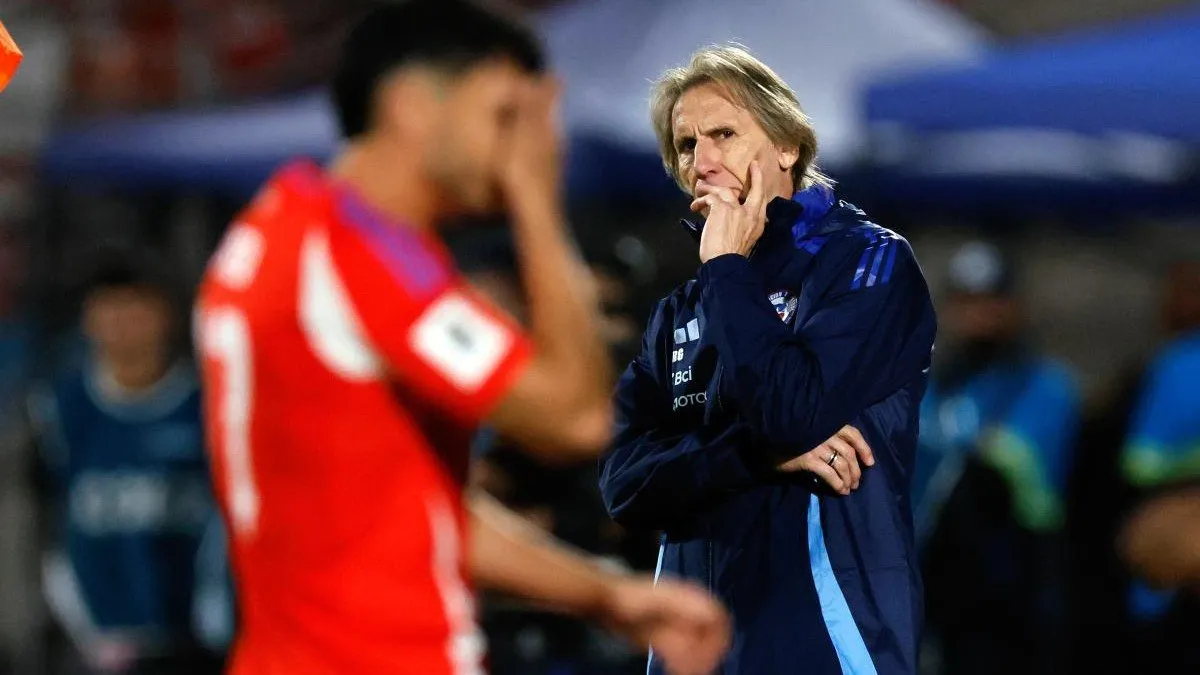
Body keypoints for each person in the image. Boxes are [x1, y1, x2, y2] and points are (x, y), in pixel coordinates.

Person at [193, 3, 729, 675]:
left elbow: (416, 519)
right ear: (413, 107)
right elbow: (576, 416)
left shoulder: (281, 228)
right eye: (503, 115)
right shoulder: (359, 255)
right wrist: (536, 197)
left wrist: (606, 595)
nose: (520, 141)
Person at [598, 45, 937, 675]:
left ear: (786, 147)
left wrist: (727, 267)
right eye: (686, 145)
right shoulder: (680, 310)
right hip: (697, 651)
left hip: (826, 641)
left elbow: (791, 411)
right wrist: (750, 455)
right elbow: (623, 485)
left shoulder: (867, 264)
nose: (702, 161)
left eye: (723, 134)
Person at [29, 253, 220, 675]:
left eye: (137, 306)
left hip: (193, 642)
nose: (123, 322)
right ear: (88, 319)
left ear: (166, 315)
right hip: (91, 646)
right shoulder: (58, 410)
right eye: (109, 307)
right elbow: (39, 529)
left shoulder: (206, 409)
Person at [911, 241, 1080, 675]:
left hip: (1018, 588)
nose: (979, 316)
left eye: (991, 302)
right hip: (939, 587)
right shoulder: (932, 384)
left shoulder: (1045, 386)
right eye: (967, 302)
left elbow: (1031, 480)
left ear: (1014, 307)